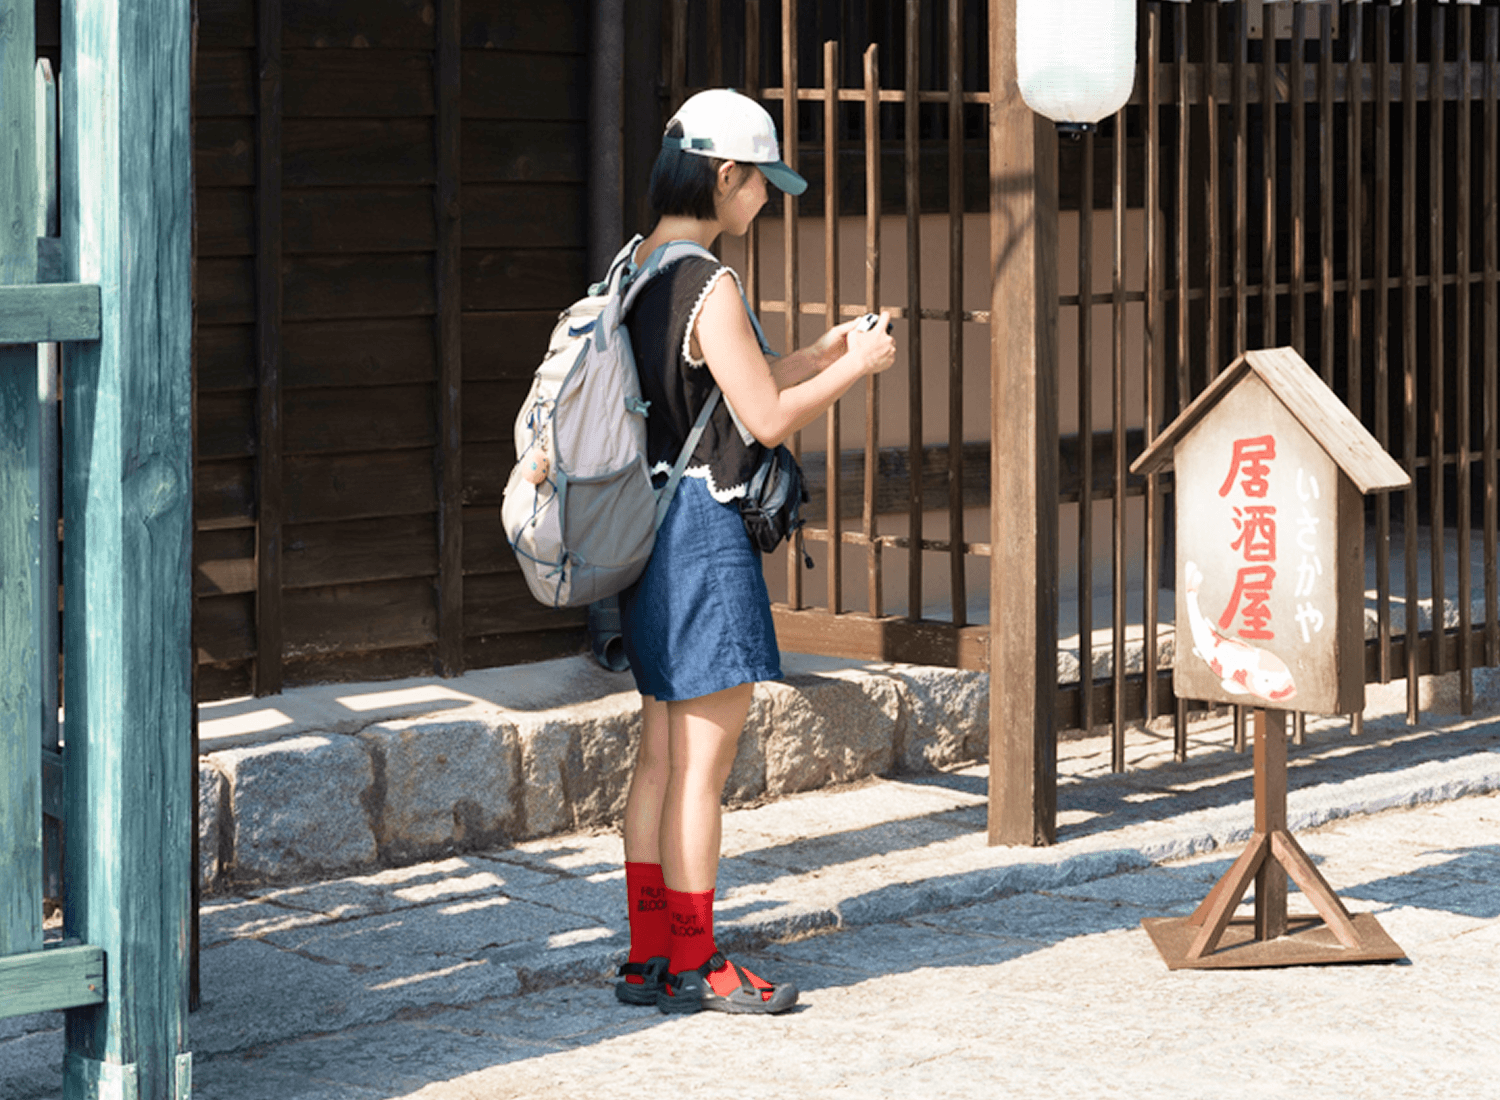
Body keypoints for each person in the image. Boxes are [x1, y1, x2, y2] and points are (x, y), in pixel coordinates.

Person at [612, 88, 896, 1016]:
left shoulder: (638, 268)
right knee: (702, 767)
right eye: (762, 183)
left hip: (646, 531)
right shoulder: (711, 282)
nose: (766, 200)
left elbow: (734, 386)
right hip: (703, 537)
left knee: (657, 757)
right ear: (725, 175)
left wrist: (819, 350)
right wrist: (858, 368)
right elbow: (762, 417)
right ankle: (698, 960)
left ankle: (647, 952)